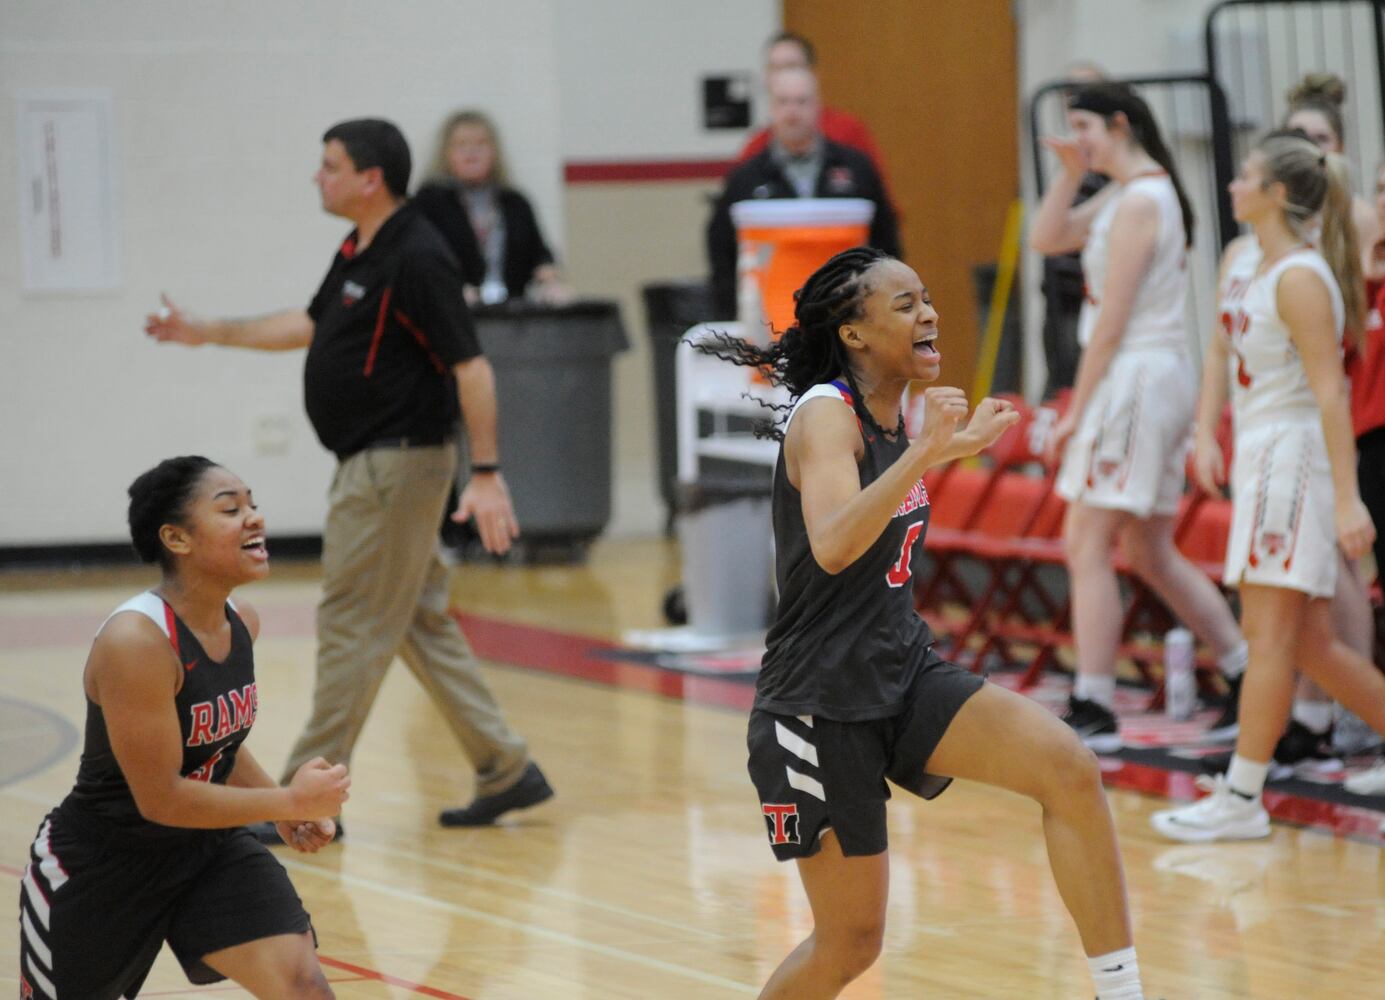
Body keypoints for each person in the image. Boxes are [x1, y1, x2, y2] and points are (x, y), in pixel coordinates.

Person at [706, 246, 1148, 1000]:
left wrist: (945, 450)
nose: (929, 313)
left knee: (1067, 768)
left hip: (901, 668)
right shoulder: (824, 418)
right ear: (854, 333)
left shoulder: (889, 414)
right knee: (849, 944)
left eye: (927, 297)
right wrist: (924, 454)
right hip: (818, 701)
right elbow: (836, 545)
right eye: (905, 304)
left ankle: (1122, 993)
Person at [145, 118, 553, 837]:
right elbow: (309, 324)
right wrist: (207, 329)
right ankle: (506, 766)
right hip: (377, 466)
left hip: (397, 465)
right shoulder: (359, 248)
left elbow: (472, 366)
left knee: (351, 623)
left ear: (370, 179)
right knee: (416, 621)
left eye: (329, 165)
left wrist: (485, 473)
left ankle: (302, 802)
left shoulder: (418, 256)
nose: (317, 176)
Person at [17, 456, 349, 1000]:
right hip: (103, 864)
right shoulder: (136, 643)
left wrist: (282, 808)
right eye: (230, 509)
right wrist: (287, 801)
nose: (254, 519)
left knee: (302, 985)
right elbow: (162, 798)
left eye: (253, 505)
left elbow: (218, 746)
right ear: (176, 537)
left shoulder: (242, 620)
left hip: (208, 852)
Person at [1152, 133, 1385, 842]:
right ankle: (1242, 794)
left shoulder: (1301, 278)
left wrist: (1346, 500)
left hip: (1292, 458)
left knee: (1269, 633)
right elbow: (1221, 348)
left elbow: (1330, 395)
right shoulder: (1251, 262)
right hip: (1257, 451)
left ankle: (1242, 794)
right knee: (1311, 644)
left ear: (1276, 194)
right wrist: (1203, 433)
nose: (1231, 184)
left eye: (1244, 175)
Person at [1030, 82, 1249, 750]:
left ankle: (1093, 703)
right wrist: (1067, 178)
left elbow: (1110, 324)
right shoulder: (1126, 194)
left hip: (1135, 376)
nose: (1077, 140)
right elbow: (1045, 238)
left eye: (1083, 127)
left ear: (1119, 124)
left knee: (1085, 541)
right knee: (1149, 549)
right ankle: (1245, 669)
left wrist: (1075, 409)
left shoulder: (1141, 200)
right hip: (1145, 377)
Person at [707, 66, 900, 319]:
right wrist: (735, 316)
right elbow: (722, 250)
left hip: (848, 313)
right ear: (771, 108)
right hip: (772, 317)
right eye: (783, 101)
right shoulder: (746, 177)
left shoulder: (856, 167)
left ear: (818, 106)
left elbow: (886, 241)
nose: (792, 111)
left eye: (801, 101)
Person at [414, 109, 572, 306]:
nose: (472, 152)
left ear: (494, 151)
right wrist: (449, 287)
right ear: (446, 152)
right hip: (454, 311)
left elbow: (539, 255)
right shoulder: (430, 201)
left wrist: (550, 281)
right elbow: (420, 259)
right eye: (462, 144)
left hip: (512, 313)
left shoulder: (515, 202)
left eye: (480, 144)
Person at [1039, 62, 1110, 398]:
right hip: (1060, 294)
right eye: (1070, 93)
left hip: (1098, 297)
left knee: (1086, 389)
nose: (1077, 99)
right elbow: (1042, 238)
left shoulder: (1117, 169)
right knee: (1060, 387)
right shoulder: (1072, 158)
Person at [737, 32, 889, 186]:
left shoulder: (848, 131)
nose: (784, 76)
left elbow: (874, 192)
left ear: (812, 73)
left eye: (791, 67)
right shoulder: (757, 146)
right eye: (774, 69)